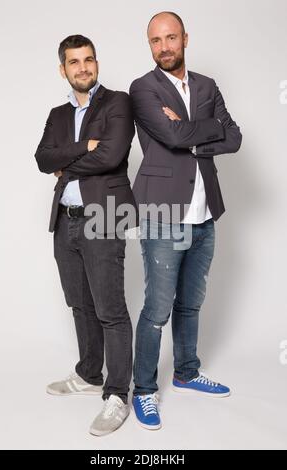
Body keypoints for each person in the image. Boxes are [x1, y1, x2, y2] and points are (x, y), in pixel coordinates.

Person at [130, 12, 242, 430]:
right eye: (155, 40)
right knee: (158, 308)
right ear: (150, 45)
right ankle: (143, 390)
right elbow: (174, 138)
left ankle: (186, 372)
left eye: (170, 38)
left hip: (204, 212)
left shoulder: (207, 86)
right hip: (162, 212)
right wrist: (205, 132)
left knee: (191, 302)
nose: (163, 47)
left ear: (184, 39)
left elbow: (234, 136)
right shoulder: (142, 88)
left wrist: (197, 129)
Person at [35, 34, 137, 436]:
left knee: (110, 308)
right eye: (74, 62)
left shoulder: (117, 102)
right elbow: (43, 158)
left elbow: (112, 155)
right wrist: (84, 145)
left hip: (105, 216)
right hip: (66, 220)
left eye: (89, 59)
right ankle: (90, 373)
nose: (83, 67)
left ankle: (117, 395)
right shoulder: (58, 114)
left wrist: (69, 164)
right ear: (64, 69)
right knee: (80, 303)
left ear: (97, 63)